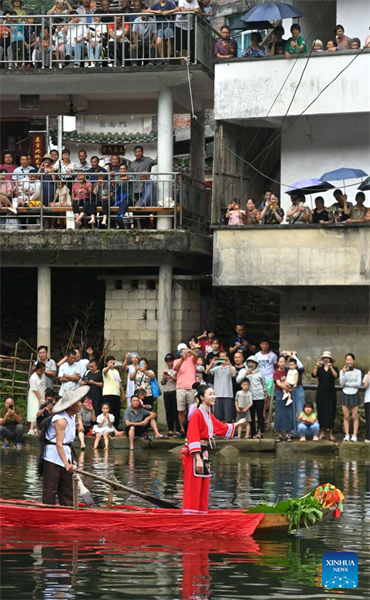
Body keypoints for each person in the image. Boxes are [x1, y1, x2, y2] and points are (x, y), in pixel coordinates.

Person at [182, 382, 244, 511]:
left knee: (204, 484)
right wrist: (198, 458)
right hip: (195, 455)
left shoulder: (209, 416)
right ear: (202, 397)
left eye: (214, 394)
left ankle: (201, 512)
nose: (214, 396)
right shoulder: (196, 415)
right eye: (210, 394)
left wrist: (237, 424)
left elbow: (221, 428)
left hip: (204, 453)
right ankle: (190, 514)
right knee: (194, 486)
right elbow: (193, 437)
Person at [41, 385, 89, 505]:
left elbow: (68, 443)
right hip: (52, 457)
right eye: (79, 402)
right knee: (50, 489)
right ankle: (47, 513)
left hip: (65, 454)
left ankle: (68, 513)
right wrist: (66, 464)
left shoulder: (72, 417)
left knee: (67, 489)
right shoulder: (60, 419)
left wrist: (70, 460)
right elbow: (59, 444)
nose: (81, 404)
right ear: (72, 405)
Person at [236, 355, 267, 438]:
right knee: (251, 415)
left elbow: (264, 384)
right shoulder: (243, 371)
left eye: (253, 362)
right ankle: (252, 433)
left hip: (259, 396)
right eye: (249, 362)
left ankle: (260, 432)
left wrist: (265, 394)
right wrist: (245, 374)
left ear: (256, 364)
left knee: (260, 415)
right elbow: (238, 380)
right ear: (247, 363)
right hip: (248, 397)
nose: (251, 364)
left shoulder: (260, 372)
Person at [312, 351, 339, 441]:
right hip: (321, 392)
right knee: (321, 411)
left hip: (331, 392)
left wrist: (331, 368)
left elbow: (336, 376)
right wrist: (316, 365)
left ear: (330, 359)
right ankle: (322, 432)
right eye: (324, 358)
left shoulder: (334, 368)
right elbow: (314, 375)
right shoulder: (319, 369)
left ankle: (330, 433)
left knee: (331, 411)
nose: (326, 359)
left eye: (327, 358)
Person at [174, 343, 197, 437]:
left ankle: (192, 429)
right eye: (181, 350)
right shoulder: (177, 361)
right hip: (180, 387)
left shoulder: (192, 359)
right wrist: (182, 359)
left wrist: (190, 351)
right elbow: (176, 368)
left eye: (183, 349)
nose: (182, 351)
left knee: (191, 410)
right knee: (181, 410)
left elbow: (198, 356)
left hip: (191, 387)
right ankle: (183, 430)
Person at [206, 350, 236, 423]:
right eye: (221, 357)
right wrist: (212, 363)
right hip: (217, 395)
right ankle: (219, 432)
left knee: (228, 417)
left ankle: (228, 433)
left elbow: (233, 374)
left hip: (228, 395)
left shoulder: (231, 367)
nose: (222, 358)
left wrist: (229, 364)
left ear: (227, 357)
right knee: (218, 417)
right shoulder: (216, 368)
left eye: (224, 356)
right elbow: (207, 372)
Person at [340, 353, 362, 442]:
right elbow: (342, 383)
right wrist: (344, 373)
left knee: (354, 416)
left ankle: (354, 435)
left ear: (353, 361)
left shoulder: (358, 372)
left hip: (354, 393)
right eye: (347, 360)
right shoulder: (342, 371)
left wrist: (348, 384)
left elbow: (358, 383)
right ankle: (347, 435)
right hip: (345, 393)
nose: (349, 361)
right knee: (346, 416)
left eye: (350, 359)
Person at [273, 356, 294, 442]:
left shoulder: (288, 372)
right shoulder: (276, 373)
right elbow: (279, 383)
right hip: (279, 393)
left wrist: (290, 389)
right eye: (280, 361)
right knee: (279, 414)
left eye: (283, 361)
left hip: (288, 394)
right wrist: (288, 389)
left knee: (289, 413)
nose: (282, 363)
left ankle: (288, 434)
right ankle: (279, 434)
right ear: (278, 363)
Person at [255, 339, 277, 416]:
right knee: (261, 397)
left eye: (266, 344)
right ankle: (262, 414)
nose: (265, 346)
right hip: (259, 378)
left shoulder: (273, 355)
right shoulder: (257, 355)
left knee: (269, 397)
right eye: (263, 344)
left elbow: (275, 366)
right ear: (260, 345)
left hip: (269, 378)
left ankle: (268, 413)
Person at [131, 1, 156, 66]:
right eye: (143, 11)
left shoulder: (152, 21)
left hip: (148, 41)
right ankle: (134, 63)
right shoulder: (137, 20)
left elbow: (154, 33)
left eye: (146, 11)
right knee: (134, 47)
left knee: (153, 46)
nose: (144, 13)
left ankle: (151, 63)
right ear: (141, 12)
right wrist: (135, 42)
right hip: (139, 41)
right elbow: (134, 32)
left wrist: (153, 42)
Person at [161, 353, 180, 436]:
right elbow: (162, 383)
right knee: (168, 411)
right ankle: (170, 429)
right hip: (167, 392)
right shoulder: (165, 370)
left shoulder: (176, 370)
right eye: (167, 362)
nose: (169, 363)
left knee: (176, 411)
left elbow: (179, 380)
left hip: (174, 391)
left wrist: (172, 378)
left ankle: (178, 429)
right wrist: (165, 378)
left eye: (170, 361)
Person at [102, 355, 124, 428]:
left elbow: (120, 382)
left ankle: (116, 428)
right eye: (110, 362)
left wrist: (122, 393)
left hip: (116, 394)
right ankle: (109, 428)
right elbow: (104, 372)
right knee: (109, 412)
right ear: (107, 363)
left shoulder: (116, 371)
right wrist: (109, 366)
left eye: (113, 362)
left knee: (116, 412)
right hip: (108, 394)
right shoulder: (105, 370)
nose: (112, 364)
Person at [27, 361, 46, 435]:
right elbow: (34, 389)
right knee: (34, 409)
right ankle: (31, 428)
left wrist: (43, 396)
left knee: (40, 410)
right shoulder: (33, 377)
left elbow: (44, 385)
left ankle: (37, 428)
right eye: (41, 370)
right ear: (37, 369)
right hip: (35, 395)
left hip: (41, 393)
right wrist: (39, 399)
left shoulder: (43, 375)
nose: (42, 371)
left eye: (43, 369)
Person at [364, 368, 370, 444]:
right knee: (368, 420)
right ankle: (368, 437)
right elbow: (365, 384)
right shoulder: (367, 375)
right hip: (368, 399)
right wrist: (368, 373)